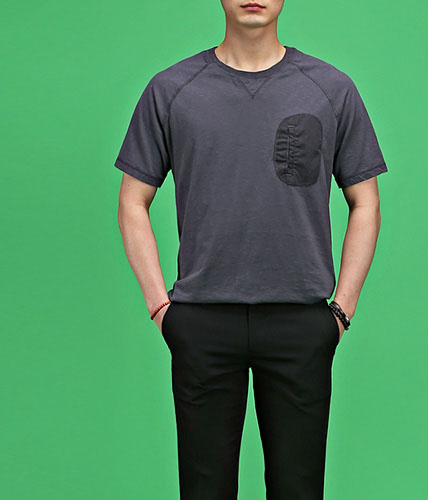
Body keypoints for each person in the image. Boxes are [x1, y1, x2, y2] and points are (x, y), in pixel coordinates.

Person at [114, 1, 388, 498]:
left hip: (300, 321)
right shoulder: (172, 89)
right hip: (202, 320)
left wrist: (341, 310)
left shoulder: (331, 88)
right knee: (205, 490)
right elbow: (133, 200)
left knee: (298, 488)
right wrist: (159, 306)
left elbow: (365, 201)